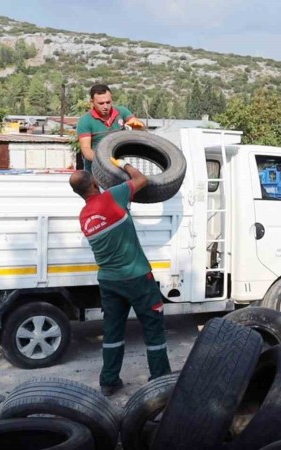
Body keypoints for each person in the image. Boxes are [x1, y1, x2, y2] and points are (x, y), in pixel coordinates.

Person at [69, 159, 171, 396]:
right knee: (153, 329)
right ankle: (161, 379)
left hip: (109, 281)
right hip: (137, 277)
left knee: (113, 332)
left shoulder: (84, 216)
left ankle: (109, 381)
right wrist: (122, 163)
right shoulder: (113, 196)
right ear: (95, 183)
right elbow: (141, 180)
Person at [77, 84, 145, 172]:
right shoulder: (85, 121)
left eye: (108, 102)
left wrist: (139, 126)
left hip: (120, 168)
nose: (105, 106)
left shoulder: (122, 111)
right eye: (101, 103)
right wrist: (105, 162)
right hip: (96, 171)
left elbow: (139, 127)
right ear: (92, 102)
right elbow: (86, 150)